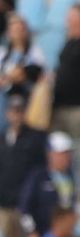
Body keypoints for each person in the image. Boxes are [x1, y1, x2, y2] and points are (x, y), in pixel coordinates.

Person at [0, 93, 47, 237]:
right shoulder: (2, 139)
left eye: (20, 111)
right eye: (14, 111)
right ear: (8, 113)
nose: (17, 115)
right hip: (4, 205)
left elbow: (39, 172)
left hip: (24, 207)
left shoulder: (34, 139)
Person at [18, 133, 76, 237]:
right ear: (51, 154)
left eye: (68, 154)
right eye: (62, 154)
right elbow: (24, 208)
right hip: (42, 236)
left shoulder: (72, 177)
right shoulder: (38, 177)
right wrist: (32, 232)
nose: (66, 158)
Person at [53, 5, 80, 142]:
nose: (67, 21)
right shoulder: (68, 42)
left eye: (72, 17)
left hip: (76, 108)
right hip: (60, 106)